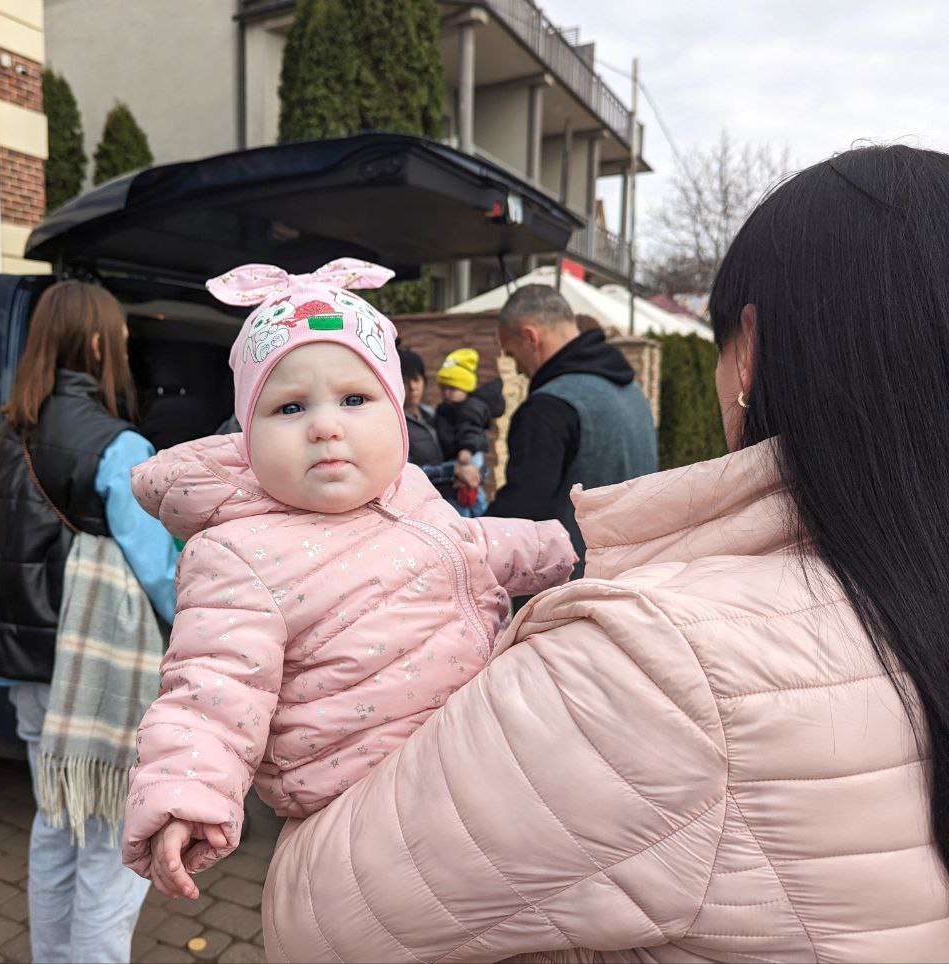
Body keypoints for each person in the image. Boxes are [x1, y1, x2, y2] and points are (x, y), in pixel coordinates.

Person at [261, 145, 949, 960]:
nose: (507, 366)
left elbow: (320, 924)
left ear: (751, 352)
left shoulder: (662, 666)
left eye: (509, 351)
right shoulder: (623, 389)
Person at [120, 259, 575, 899]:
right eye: (289, 407)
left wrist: (578, 545)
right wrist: (184, 795)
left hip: (477, 765)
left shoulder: (408, 493)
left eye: (356, 399)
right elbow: (213, 688)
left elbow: (475, 544)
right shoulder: (237, 551)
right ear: (247, 438)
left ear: (396, 412)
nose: (326, 426)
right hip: (362, 813)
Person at [0, 281, 178, 964]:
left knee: (56, 824)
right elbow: (160, 571)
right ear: (102, 343)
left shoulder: (6, 429)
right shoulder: (117, 444)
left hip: (27, 668)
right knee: (112, 845)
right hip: (96, 677)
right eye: (125, 342)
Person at [490, 284, 656, 575]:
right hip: (634, 576)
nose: (516, 369)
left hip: (570, 598)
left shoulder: (548, 409)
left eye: (513, 354)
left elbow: (520, 516)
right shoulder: (632, 391)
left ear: (530, 337)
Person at [399, 348, 483, 505]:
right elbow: (406, 474)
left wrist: (474, 471)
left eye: (416, 379)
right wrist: (454, 471)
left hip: (456, 497)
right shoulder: (396, 424)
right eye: (404, 381)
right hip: (425, 505)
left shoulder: (435, 414)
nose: (412, 387)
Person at [432, 348, 504, 517]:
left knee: (470, 491)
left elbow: (470, 430)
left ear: (465, 388)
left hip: (467, 454)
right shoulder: (449, 408)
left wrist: (467, 449)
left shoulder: (469, 409)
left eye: (452, 389)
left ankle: (480, 517)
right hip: (458, 456)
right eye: (443, 388)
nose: (446, 393)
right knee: (467, 492)